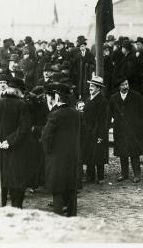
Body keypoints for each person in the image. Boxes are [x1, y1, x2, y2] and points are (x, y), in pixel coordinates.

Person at [0, 76, 31, 208]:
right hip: (16, 152)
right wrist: (9, 141)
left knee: (1, 187)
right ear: (18, 91)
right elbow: (24, 128)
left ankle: (0, 215)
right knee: (16, 189)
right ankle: (16, 213)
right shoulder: (22, 105)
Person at [42, 82, 82, 216]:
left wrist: (47, 151)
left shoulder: (55, 114)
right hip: (72, 156)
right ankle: (72, 215)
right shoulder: (75, 114)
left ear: (58, 97)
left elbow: (47, 136)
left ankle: (58, 217)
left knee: (58, 189)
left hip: (57, 157)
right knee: (70, 187)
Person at [109, 76, 143, 183]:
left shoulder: (136, 97)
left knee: (134, 152)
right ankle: (124, 173)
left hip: (133, 129)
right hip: (120, 129)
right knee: (122, 152)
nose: (125, 86)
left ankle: (137, 174)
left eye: (127, 84)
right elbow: (112, 112)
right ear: (119, 87)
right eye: (123, 85)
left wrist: (138, 125)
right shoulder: (114, 98)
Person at [81, 76, 110, 184]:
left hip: (97, 132)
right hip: (88, 132)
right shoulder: (88, 99)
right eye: (90, 86)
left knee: (98, 154)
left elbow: (104, 121)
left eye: (93, 86)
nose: (90, 88)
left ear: (98, 88)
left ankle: (101, 177)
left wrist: (101, 135)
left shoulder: (103, 101)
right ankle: (90, 176)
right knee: (89, 154)